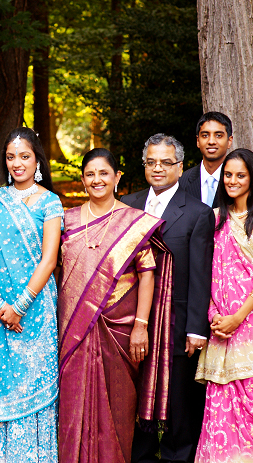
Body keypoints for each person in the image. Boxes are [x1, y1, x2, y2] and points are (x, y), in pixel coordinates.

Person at [58, 148, 174, 463]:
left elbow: (148, 275)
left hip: (120, 332)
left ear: (117, 177)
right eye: (90, 174)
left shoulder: (133, 222)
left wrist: (140, 326)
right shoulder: (65, 221)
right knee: (71, 407)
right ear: (82, 180)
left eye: (103, 173)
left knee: (119, 408)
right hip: (73, 331)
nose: (97, 180)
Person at [0, 128, 64, 462]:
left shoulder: (50, 201)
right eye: (11, 157)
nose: (17, 163)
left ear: (37, 158)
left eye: (24, 156)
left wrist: (20, 306)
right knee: (2, 382)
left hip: (35, 309)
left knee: (33, 383)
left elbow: (49, 259)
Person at [122, 134, 214, 463]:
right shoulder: (128, 205)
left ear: (179, 167)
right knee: (136, 402)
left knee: (179, 405)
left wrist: (196, 328)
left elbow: (201, 274)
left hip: (177, 324)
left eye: (165, 162)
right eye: (151, 162)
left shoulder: (197, 213)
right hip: (133, 323)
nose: (157, 168)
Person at [194, 148, 253, 463]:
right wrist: (216, 316)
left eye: (240, 175)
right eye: (228, 175)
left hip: (252, 325)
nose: (232, 181)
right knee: (219, 406)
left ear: (252, 178)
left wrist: (238, 318)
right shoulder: (216, 217)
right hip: (220, 325)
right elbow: (208, 271)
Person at [180, 112, 233, 208]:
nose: (211, 141)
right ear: (198, 141)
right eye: (205, 135)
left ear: (229, 141)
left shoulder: (243, 182)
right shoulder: (181, 182)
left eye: (218, 135)